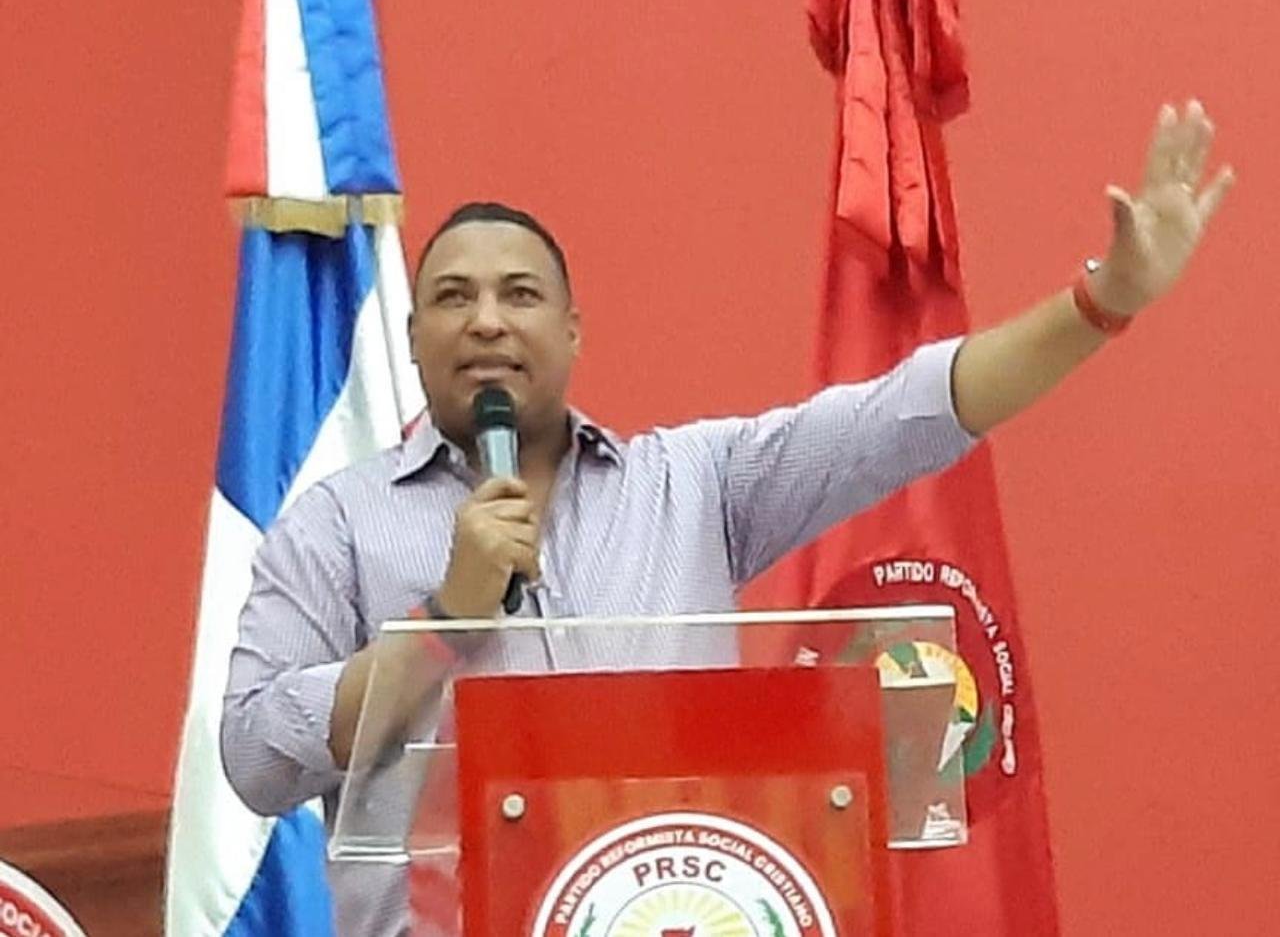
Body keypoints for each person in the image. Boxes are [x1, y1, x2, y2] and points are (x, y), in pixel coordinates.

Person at [221, 100, 1233, 935]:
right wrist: (446, 618)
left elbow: (913, 414)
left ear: (571, 331)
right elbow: (254, 756)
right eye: (453, 297)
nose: (487, 318)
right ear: (413, 337)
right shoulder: (336, 525)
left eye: (519, 294)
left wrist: (1101, 305)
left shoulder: (695, 485)